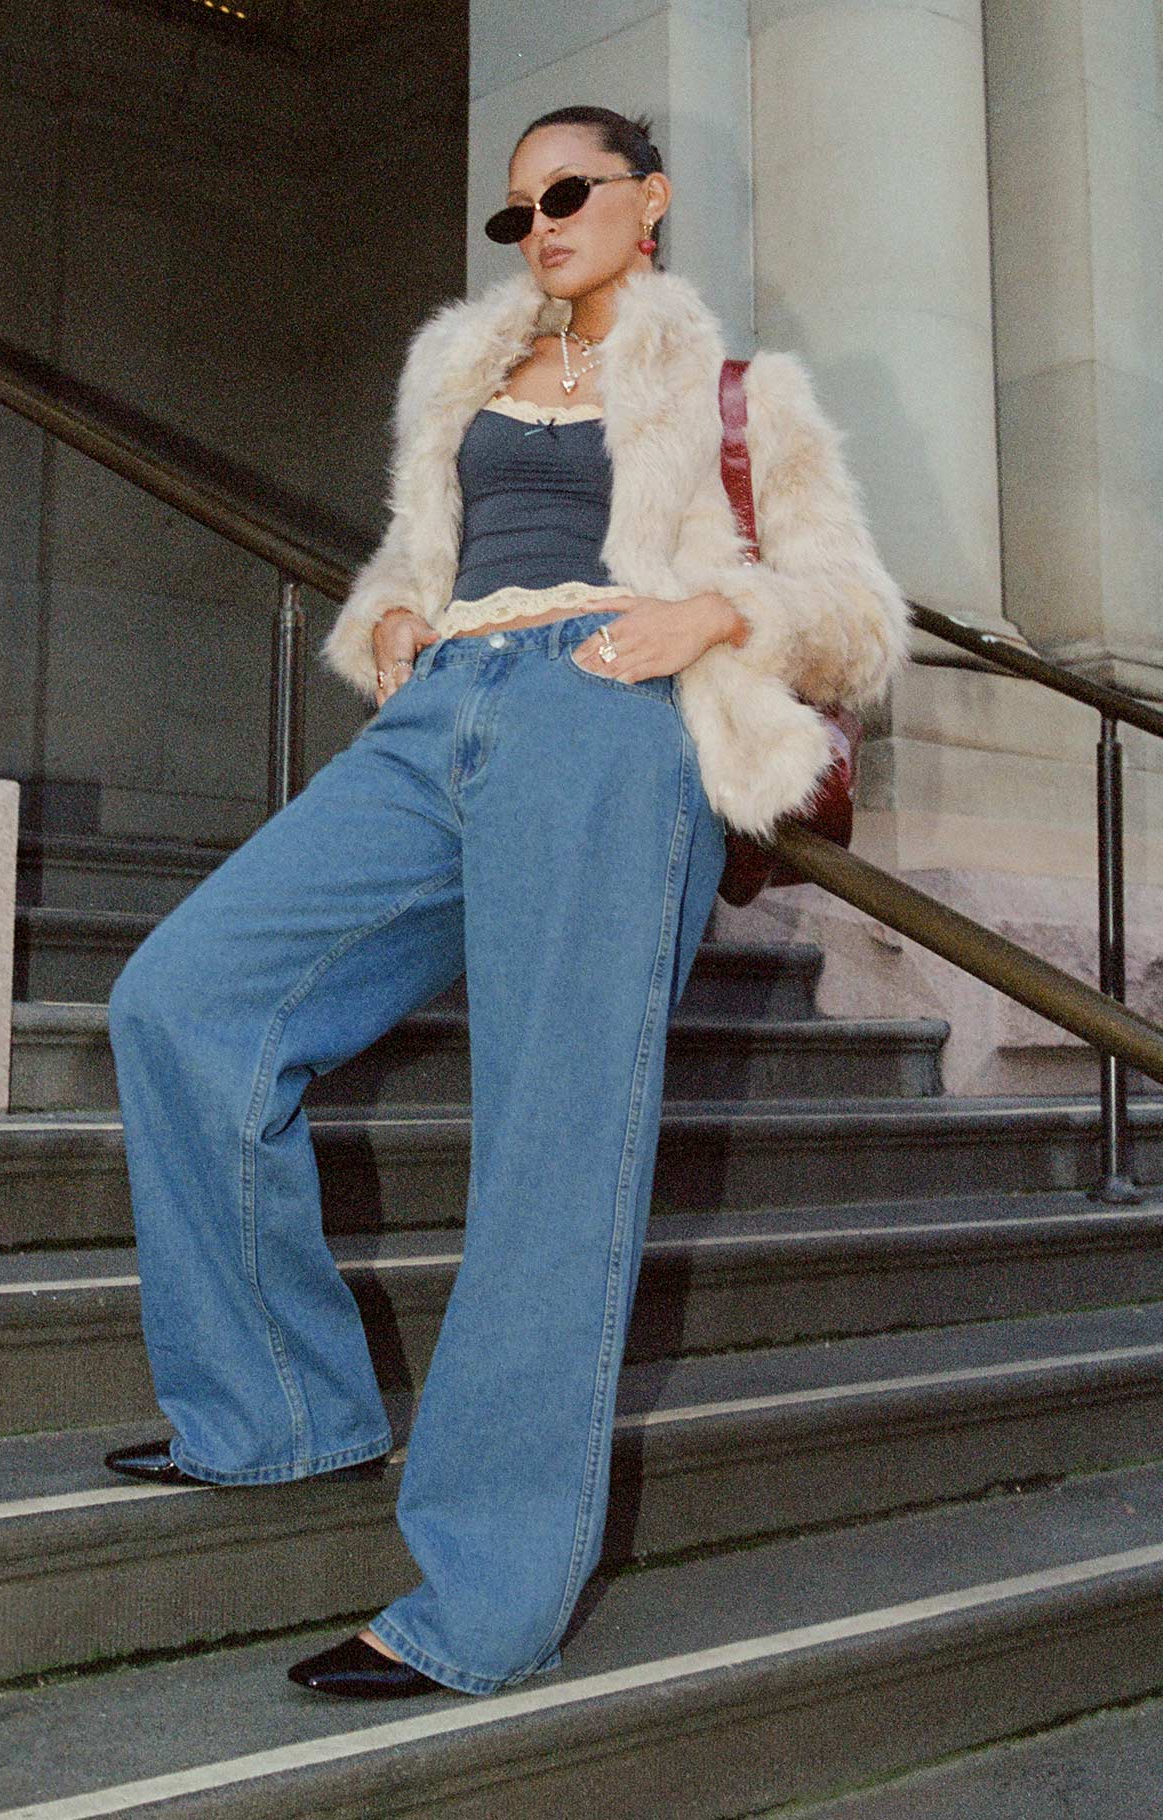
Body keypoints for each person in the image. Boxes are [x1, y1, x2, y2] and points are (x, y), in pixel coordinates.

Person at [103, 104, 911, 1703]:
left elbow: (857, 616)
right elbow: (420, 559)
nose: (539, 223)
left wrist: (709, 615)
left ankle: (485, 1596)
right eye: (518, 208)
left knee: (553, 1137)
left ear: (649, 201)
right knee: (185, 1001)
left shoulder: (742, 394)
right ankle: (275, 1409)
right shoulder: (462, 372)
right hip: (442, 716)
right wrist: (395, 621)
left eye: (570, 191)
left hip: (607, 717)